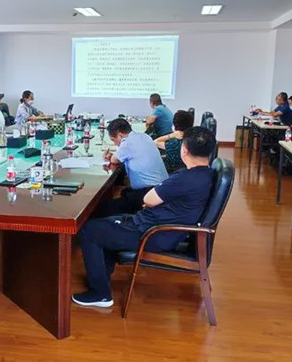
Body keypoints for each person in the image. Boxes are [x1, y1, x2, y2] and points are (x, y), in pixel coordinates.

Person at [73, 126, 216, 307]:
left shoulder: (184, 179)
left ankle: (100, 294)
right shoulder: (206, 174)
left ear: (184, 150)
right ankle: (102, 276)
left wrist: (150, 203)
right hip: (157, 228)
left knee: (88, 230)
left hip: (152, 233)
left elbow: (148, 199)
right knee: (105, 224)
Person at [96, 118, 169, 217]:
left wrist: (110, 156)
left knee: (101, 209)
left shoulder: (127, 143)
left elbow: (114, 160)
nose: (115, 144)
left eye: (113, 140)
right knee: (124, 193)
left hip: (148, 194)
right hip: (162, 189)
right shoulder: (145, 136)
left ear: (120, 135)